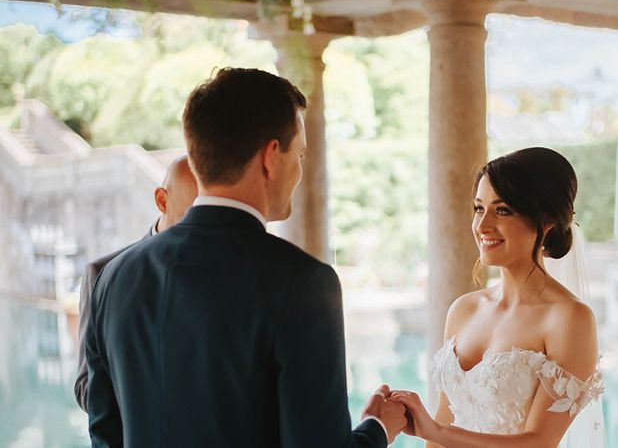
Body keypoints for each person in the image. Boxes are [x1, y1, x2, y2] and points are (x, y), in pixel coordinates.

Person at [85, 68, 406, 447]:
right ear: (271, 156)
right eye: (299, 154)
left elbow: (104, 434)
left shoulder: (116, 276)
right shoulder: (302, 281)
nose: (300, 169)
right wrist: (378, 427)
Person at [390, 147, 604, 448]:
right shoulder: (463, 309)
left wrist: (434, 432)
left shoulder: (569, 318)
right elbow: (442, 423)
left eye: (502, 210)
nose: (482, 225)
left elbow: (540, 442)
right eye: (479, 208)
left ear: (546, 221)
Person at [74, 155, 197, 411]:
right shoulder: (102, 273)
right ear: (162, 200)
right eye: (192, 214)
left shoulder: (225, 272)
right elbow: (86, 388)